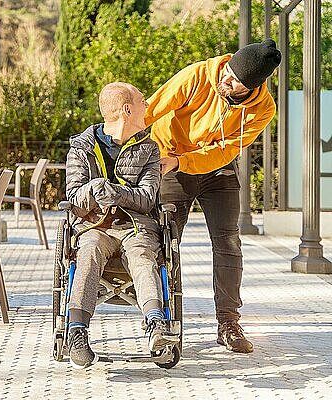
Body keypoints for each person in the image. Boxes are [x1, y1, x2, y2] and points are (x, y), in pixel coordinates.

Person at [144, 39, 282, 353]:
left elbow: (225, 150)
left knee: (229, 241)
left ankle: (228, 323)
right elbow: (152, 109)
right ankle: (162, 319)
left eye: (234, 81)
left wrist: (186, 161)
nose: (225, 80)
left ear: (251, 87)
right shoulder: (198, 75)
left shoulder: (263, 108)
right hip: (170, 163)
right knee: (165, 241)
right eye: (228, 71)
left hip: (216, 170)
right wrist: (116, 143)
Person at [65, 82, 179, 369]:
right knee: (88, 252)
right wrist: (94, 189)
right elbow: (73, 197)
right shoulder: (82, 149)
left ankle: (156, 325)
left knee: (142, 257)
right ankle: (77, 333)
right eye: (142, 101)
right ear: (128, 110)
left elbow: (147, 198)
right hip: (95, 226)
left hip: (137, 227)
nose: (147, 106)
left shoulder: (150, 149)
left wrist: (115, 193)